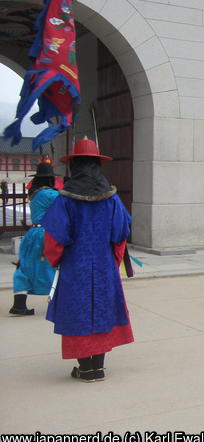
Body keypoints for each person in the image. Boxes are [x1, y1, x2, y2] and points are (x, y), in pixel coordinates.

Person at [42, 139, 133, 382]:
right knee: (102, 310)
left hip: (75, 265)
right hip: (103, 265)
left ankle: (85, 368)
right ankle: (98, 367)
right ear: (97, 165)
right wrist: (112, 262)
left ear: (75, 165)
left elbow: (54, 239)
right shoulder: (112, 199)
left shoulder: (65, 200)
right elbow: (121, 235)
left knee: (79, 313)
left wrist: (56, 260)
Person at [9, 162, 59, 316]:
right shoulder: (50, 194)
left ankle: (19, 304)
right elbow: (66, 204)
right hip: (46, 234)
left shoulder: (35, 192)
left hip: (32, 233)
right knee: (55, 267)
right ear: (50, 179)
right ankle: (59, 304)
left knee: (25, 266)